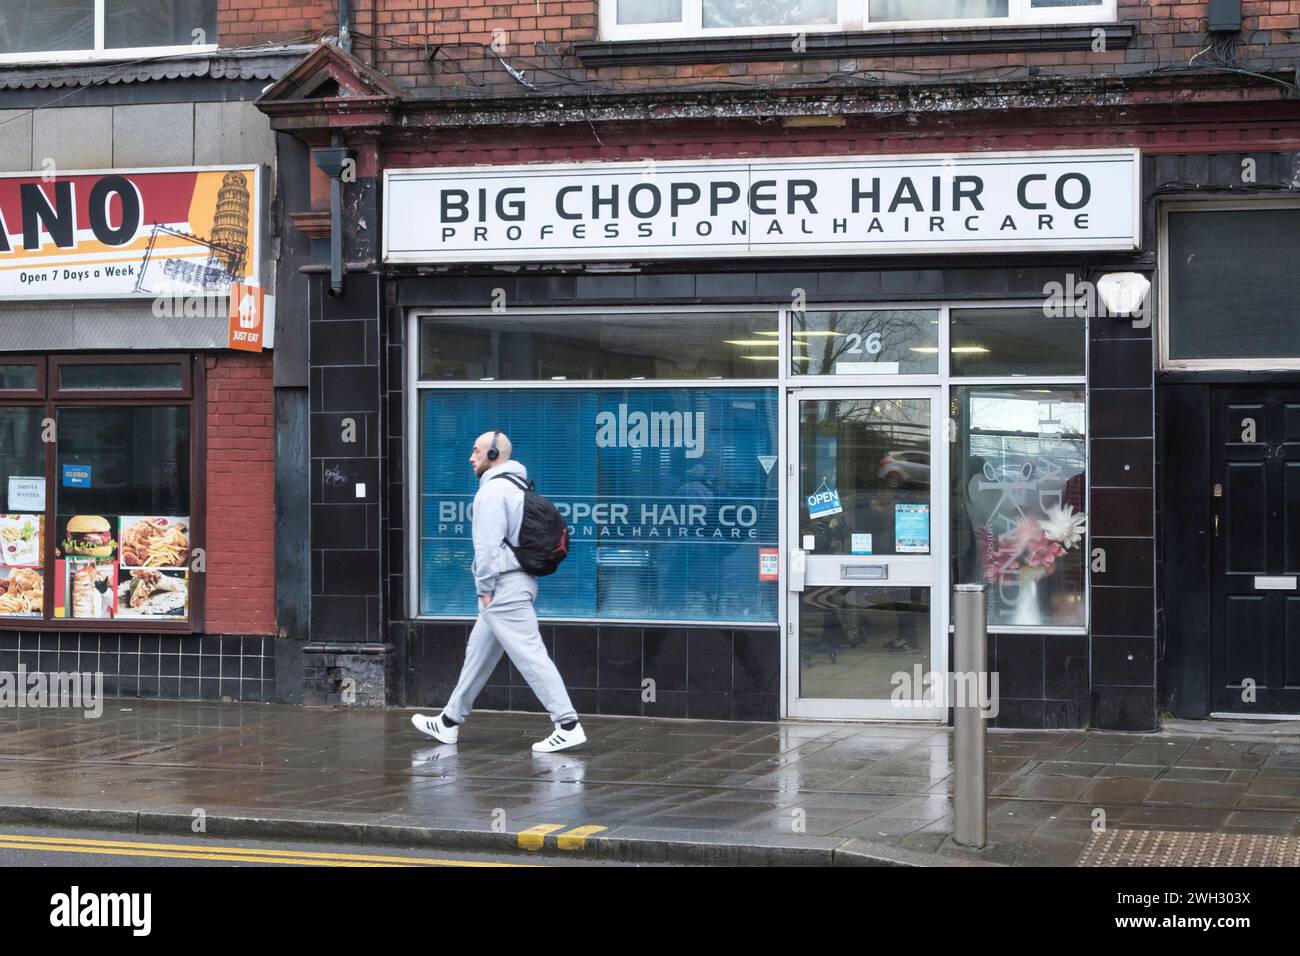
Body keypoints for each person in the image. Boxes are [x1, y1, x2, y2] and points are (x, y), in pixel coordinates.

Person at [412, 431, 587, 753]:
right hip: (515, 582)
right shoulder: (517, 486)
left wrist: (485, 589)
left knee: (531, 656)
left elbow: (487, 547)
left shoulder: (492, 492)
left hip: (503, 587)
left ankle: (567, 724)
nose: (470, 457)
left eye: (476, 451)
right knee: (477, 655)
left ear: (494, 454)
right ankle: (449, 721)